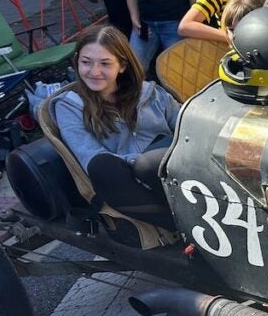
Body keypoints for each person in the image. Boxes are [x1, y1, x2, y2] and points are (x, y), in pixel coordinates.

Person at [53, 26, 179, 230]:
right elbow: (89, 156)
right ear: (77, 61)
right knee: (102, 166)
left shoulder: (148, 92)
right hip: (126, 180)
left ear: (121, 66)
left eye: (105, 63)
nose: (94, 72)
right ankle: (181, 224)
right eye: (86, 62)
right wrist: (137, 163)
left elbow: (183, 122)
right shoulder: (69, 106)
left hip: (170, 166)